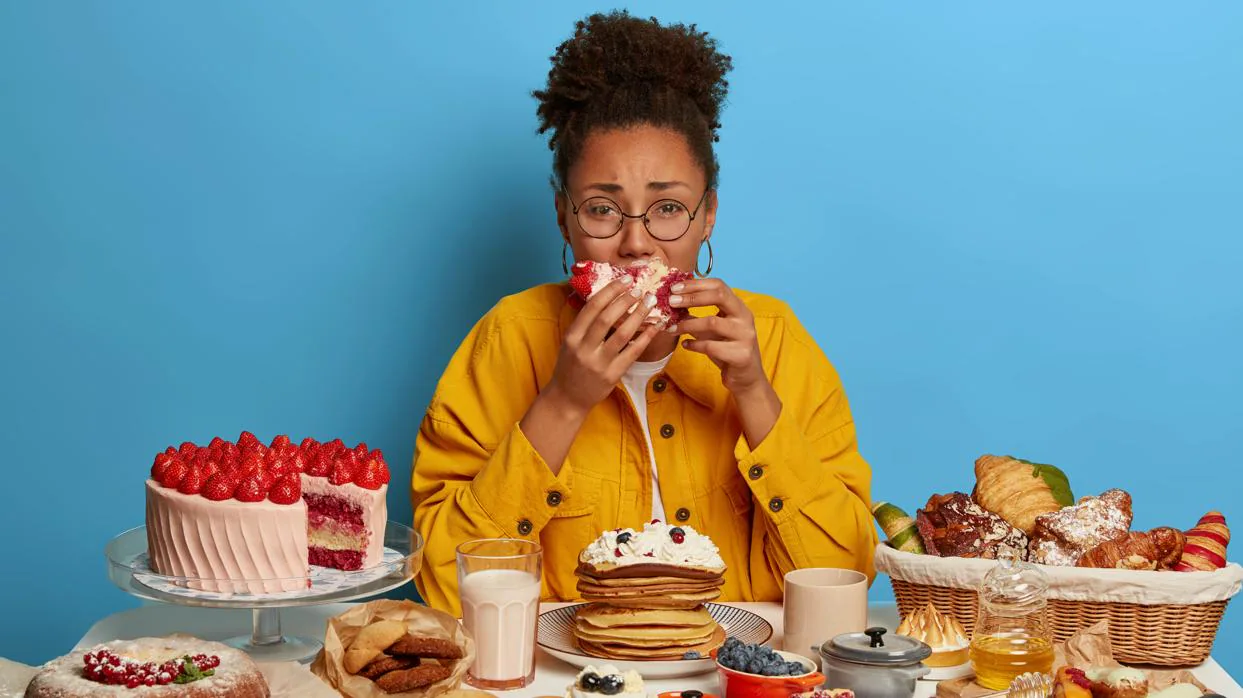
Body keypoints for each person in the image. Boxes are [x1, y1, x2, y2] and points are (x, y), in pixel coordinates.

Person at [412, 10, 877, 614]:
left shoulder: (778, 340)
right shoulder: (508, 339)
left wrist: (754, 393)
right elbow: (446, 587)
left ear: (708, 215)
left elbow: (844, 583)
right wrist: (565, 401)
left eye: (667, 209)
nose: (636, 244)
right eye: (603, 209)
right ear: (563, 216)